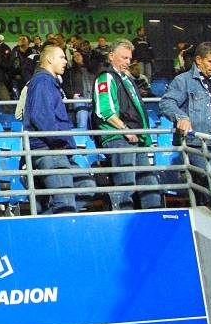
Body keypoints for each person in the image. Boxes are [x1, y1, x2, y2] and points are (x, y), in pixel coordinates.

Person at [24, 45, 95, 214]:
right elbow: (41, 116)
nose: (66, 61)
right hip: (51, 150)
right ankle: (47, 225)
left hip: (56, 150)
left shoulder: (47, 81)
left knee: (87, 186)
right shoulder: (43, 81)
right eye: (62, 57)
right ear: (49, 59)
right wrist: (59, 140)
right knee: (65, 204)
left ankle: (47, 221)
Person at [92, 39, 162, 210]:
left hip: (137, 138)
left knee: (150, 186)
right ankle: (125, 220)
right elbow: (104, 110)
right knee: (126, 186)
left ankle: (153, 220)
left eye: (129, 58)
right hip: (119, 138)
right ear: (111, 56)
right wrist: (125, 130)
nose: (128, 61)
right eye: (124, 58)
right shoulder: (106, 77)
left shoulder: (126, 79)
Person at [159, 42, 211, 207]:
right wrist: (181, 117)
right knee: (206, 189)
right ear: (199, 60)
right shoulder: (183, 80)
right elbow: (166, 102)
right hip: (197, 145)